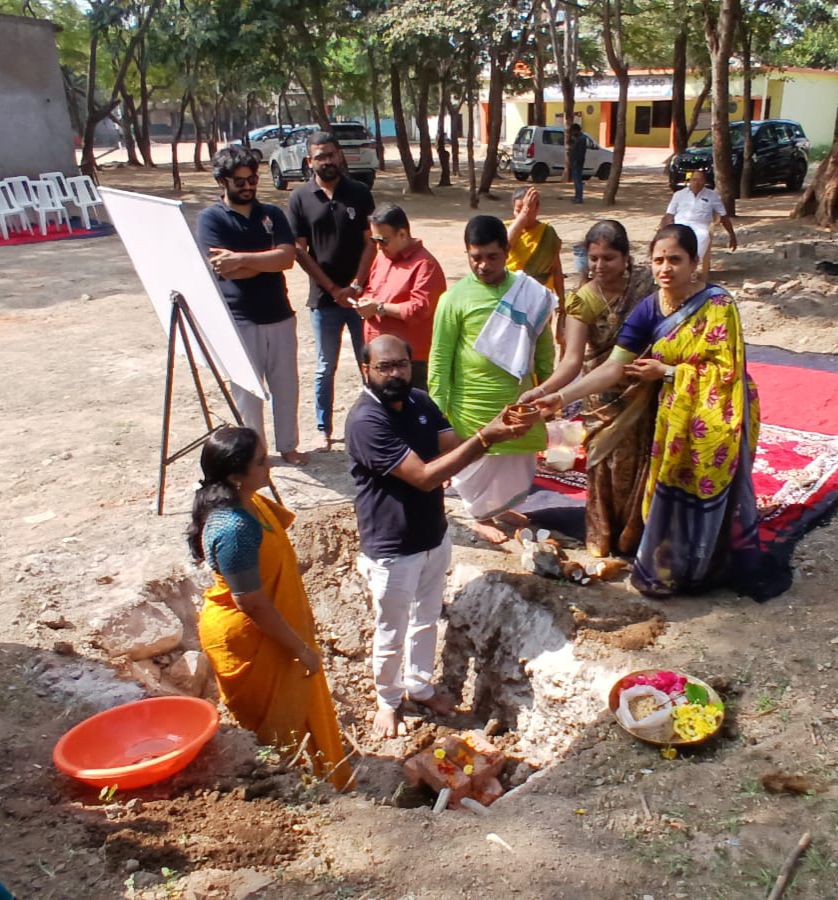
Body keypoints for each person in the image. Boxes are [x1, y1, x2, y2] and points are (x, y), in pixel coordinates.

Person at [535, 224, 788, 601]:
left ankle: (705, 565)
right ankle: (672, 565)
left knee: (707, 492)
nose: (665, 268)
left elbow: (725, 372)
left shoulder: (719, 305)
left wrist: (667, 372)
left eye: (675, 259)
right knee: (669, 487)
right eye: (658, 260)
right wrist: (559, 398)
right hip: (673, 417)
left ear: (693, 263)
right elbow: (613, 367)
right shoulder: (649, 308)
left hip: (719, 412)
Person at [346, 335, 534, 738]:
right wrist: (488, 438)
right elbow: (426, 476)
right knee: (392, 628)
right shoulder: (366, 420)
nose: (395, 373)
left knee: (427, 618)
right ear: (367, 370)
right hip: (392, 546)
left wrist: (497, 431)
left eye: (401, 364)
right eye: (384, 367)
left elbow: (452, 448)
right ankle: (388, 699)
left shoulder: (419, 401)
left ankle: (420, 686)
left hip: (432, 534)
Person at [187, 426, 352, 789]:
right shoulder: (234, 528)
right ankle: (294, 787)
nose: (269, 467)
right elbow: (252, 604)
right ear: (234, 476)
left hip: (272, 625)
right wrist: (301, 650)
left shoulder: (252, 503)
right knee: (276, 724)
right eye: (261, 462)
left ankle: (325, 777)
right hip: (250, 639)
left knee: (301, 707)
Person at [520, 220, 655, 558]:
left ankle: (637, 535)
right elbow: (571, 362)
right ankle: (605, 533)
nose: (599, 266)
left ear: (626, 258)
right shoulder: (583, 301)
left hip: (644, 389)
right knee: (607, 466)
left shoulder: (647, 289)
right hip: (601, 396)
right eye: (593, 258)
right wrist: (546, 391)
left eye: (608, 258)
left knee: (642, 463)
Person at [429, 215, 556, 544]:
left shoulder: (530, 294)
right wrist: (437, 411)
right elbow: (441, 357)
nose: (483, 265)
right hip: (470, 405)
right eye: (476, 257)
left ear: (506, 250)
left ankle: (499, 508)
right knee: (476, 465)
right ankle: (479, 515)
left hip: (518, 400)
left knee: (515, 462)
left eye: (492, 257)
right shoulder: (454, 299)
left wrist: (548, 388)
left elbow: (543, 345)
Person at [197, 147, 306, 465]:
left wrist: (243, 259)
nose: (247, 186)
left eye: (252, 178)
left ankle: (289, 446)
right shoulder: (210, 219)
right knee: (248, 393)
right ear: (222, 181)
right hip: (239, 319)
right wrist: (266, 260)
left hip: (280, 315)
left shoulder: (272, 213)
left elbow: (287, 258)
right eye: (239, 181)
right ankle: (254, 455)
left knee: (286, 385)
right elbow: (221, 267)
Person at [288, 131, 376, 450]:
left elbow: (371, 243)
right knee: (326, 365)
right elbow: (300, 251)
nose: (327, 161)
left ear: (340, 156)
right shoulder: (299, 198)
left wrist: (354, 285)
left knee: (368, 361)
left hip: (359, 296)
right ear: (310, 161)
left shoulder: (359, 193)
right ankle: (323, 428)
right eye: (320, 157)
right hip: (323, 300)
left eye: (331, 155)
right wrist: (332, 288)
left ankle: (375, 421)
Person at [353, 204, 446, 392]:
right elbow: (371, 288)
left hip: (409, 363)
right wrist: (365, 301)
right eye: (374, 240)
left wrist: (380, 308)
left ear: (402, 234)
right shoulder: (382, 258)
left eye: (383, 240)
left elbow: (419, 309)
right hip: (378, 357)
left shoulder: (425, 265)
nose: (378, 246)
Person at [506, 186, 565, 341]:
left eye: (528, 209)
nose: (522, 213)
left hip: (540, 300)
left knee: (538, 345)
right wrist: (524, 214)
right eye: (518, 210)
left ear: (537, 208)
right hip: (513, 296)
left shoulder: (547, 233)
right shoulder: (507, 229)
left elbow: (556, 269)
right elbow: (505, 245)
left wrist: (562, 302)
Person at [661, 169, 737, 280]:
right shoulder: (679, 195)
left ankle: (690, 266)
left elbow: (723, 216)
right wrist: (665, 229)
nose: (697, 183)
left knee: (703, 236)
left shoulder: (712, 196)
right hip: (680, 224)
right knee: (674, 238)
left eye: (700, 180)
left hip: (700, 225)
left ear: (704, 182)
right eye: (694, 180)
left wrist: (732, 235)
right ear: (689, 181)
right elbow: (669, 214)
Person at [568, 123, 587, 204]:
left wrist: (576, 161)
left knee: (578, 180)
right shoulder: (578, 138)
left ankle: (579, 197)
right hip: (574, 161)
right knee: (576, 180)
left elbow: (580, 152)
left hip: (577, 162)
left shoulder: (581, 139)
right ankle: (577, 196)